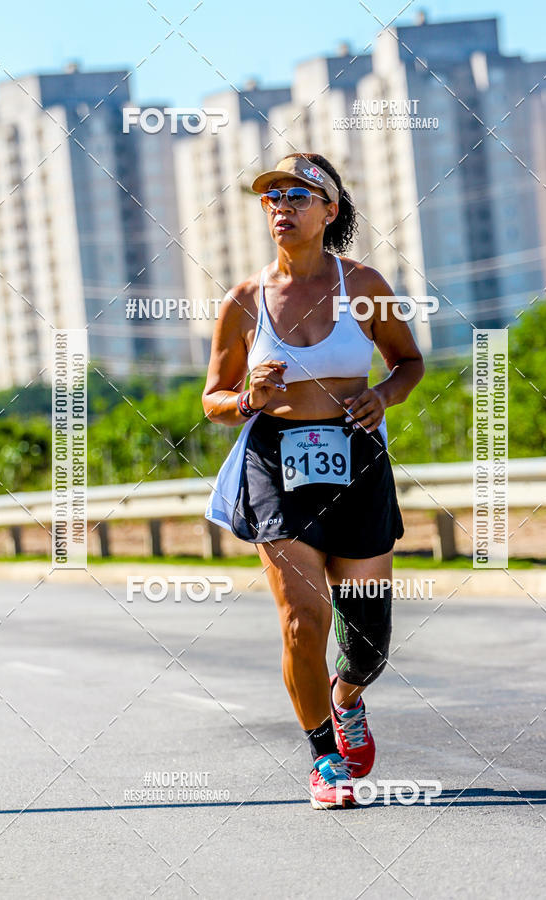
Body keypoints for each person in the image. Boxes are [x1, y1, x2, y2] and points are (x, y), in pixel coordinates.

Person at [202, 152, 425, 809]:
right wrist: (249, 399)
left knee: (369, 640)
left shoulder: (365, 284)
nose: (282, 207)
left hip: (357, 457)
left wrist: (383, 395)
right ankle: (324, 757)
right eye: (272, 197)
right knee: (304, 618)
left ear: (330, 210)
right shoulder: (244, 302)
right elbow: (213, 399)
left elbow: (408, 361)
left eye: (299, 195)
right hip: (276, 462)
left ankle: (347, 696)